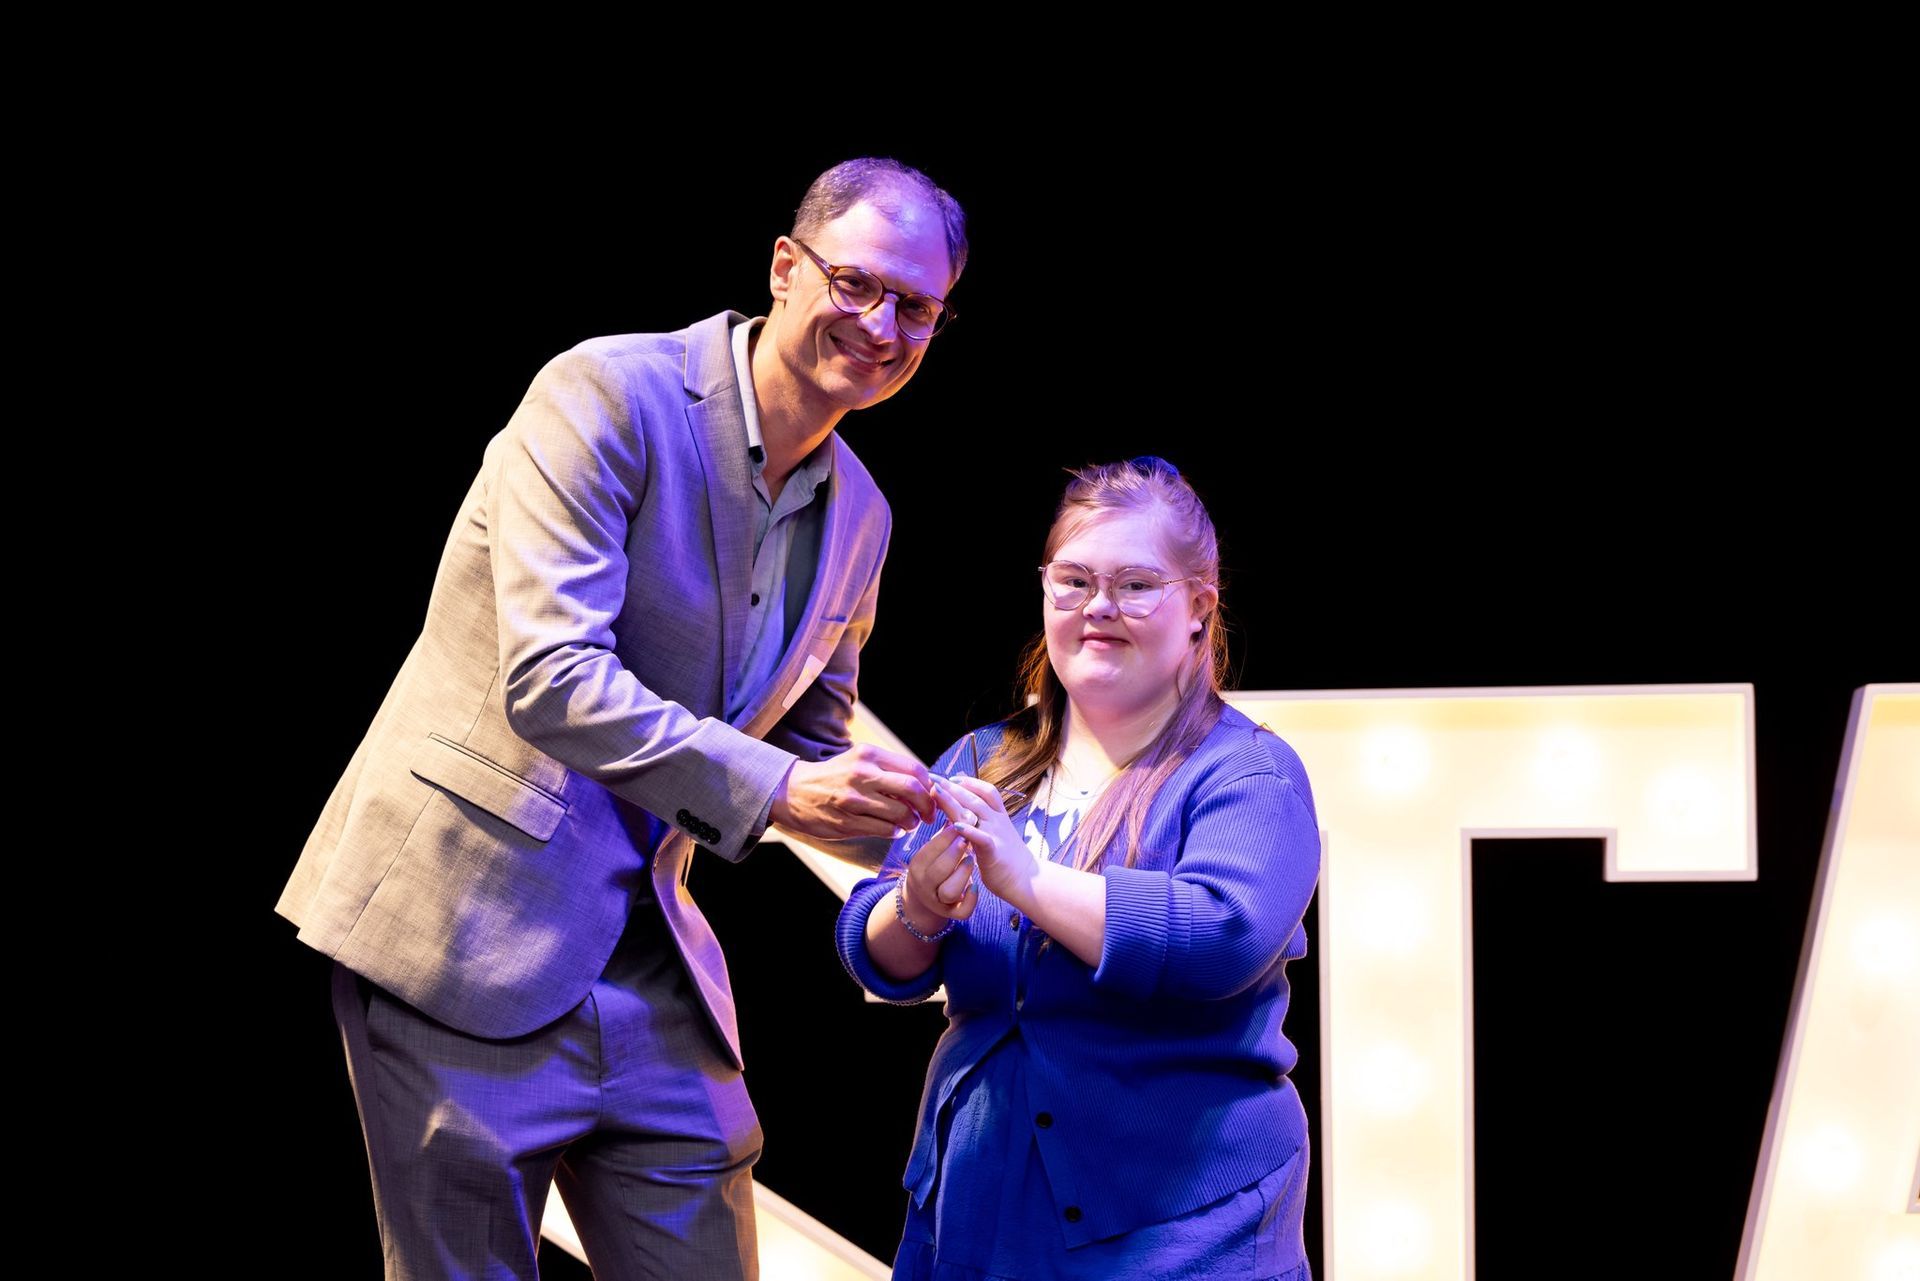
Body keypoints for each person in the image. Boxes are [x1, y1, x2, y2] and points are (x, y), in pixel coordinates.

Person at [277, 157, 967, 1281]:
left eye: (917, 308)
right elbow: (551, 677)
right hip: (464, 924)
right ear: (787, 269)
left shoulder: (864, 516)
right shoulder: (606, 393)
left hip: (653, 964)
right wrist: (790, 791)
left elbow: (808, 751)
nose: (880, 325)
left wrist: (946, 830)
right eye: (857, 284)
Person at [835, 457, 1322, 1280]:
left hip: (1177, 1228)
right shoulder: (982, 759)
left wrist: (1027, 881)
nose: (1098, 607)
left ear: (1200, 606)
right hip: (974, 1209)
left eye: (1135, 584)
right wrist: (915, 906)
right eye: (1074, 580)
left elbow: (1219, 937)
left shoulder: (1249, 776)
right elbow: (877, 948)